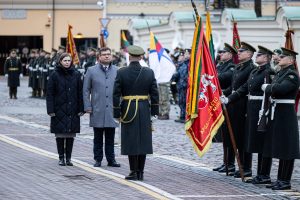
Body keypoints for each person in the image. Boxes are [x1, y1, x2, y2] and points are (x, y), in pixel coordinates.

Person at [222, 46, 275, 183]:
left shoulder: (267, 71)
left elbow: (270, 92)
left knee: (258, 141)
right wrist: (227, 96)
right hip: (250, 107)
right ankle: (247, 169)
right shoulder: (255, 70)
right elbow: (243, 87)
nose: (238, 53)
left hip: (258, 108)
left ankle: (259, 172)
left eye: (260, 55)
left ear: (266, 57)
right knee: (249, 139)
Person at [113, 45, 159, 181]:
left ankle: (133, 171)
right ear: (140, 57)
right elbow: (155, 94)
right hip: (144, 108)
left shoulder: (121, 72)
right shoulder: (149, 72)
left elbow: (116, 94)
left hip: (128, 108)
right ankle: (141, 172)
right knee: (143, 140)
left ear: (129, 56)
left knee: (130, 140)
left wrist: (116, 113)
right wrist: (154, 112)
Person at [261, 47, 300, 190]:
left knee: (287, 147)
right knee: (281, 146)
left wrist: (268, 87)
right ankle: (279, 179)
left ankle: (285, 181)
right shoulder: (280, 73)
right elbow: (276, 87)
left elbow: (280, 89)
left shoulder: (292, 75)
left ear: (291, 60)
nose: (279, 58)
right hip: (277, 112)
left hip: (286, 114)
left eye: (282, 57)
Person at [222, 42, 256, 179]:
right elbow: (233, 86)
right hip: (233, 105)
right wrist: (223, 93)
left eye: (242, 51)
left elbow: (244, 88)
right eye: (239, 51)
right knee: (232, 135)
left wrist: (230, 97)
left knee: (242, 137)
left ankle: (245, 166)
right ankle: (231, 164)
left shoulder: (251, 69)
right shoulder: (238, 67)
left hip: (242, 105)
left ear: (249, 54)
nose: (239, 53)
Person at [83, 47, 120, 168]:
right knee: (97, 137)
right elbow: (86, 90)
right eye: (104, 54)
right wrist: (87, 106)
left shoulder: (117, 70)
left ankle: (111, 159)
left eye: (109, 54)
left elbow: (121, 90)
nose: (107, 56)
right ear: (98, 57)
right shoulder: (91, 70)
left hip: (112, 109)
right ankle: (98, 159)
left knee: (111, 136)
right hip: (97, 108)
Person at [46, 53, 84, 166]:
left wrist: (81, 108)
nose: (67, 62)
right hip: (59, 109)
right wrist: (51, 110)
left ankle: (69, 158)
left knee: (70, 135)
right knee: (60, 135)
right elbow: (50, 94)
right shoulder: (54, 75)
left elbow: (80, 93)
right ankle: (61, 158)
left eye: (69, 60)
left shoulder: (76, 74)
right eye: (65, 60)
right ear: (60, 61)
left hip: (73, 109)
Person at [213, 43, 236, 173]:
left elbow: (222, 78)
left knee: (229, 133)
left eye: (223, 52)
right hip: (219, 100)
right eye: (220, 52)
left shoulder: (232, 67)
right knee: (224, 134)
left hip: (228, 102)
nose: (220, 54)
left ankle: (230, 163)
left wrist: (211, 75)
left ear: (230, 55)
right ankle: (225, 162)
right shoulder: (221, 66)